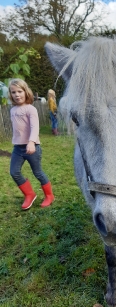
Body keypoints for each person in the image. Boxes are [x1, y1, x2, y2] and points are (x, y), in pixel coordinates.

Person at [9, 78, 55, 210]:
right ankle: (29, 194)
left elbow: (35, 127)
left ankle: (49, 196)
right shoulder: (12, 110)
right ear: (10, 95)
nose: (17, 95)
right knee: (14, 172)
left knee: (38, 172)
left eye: (19, 91)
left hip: (32, 147)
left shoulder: (30, 109)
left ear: (26, 92)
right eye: (13, 92)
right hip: (18, 148)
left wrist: (31, 142)